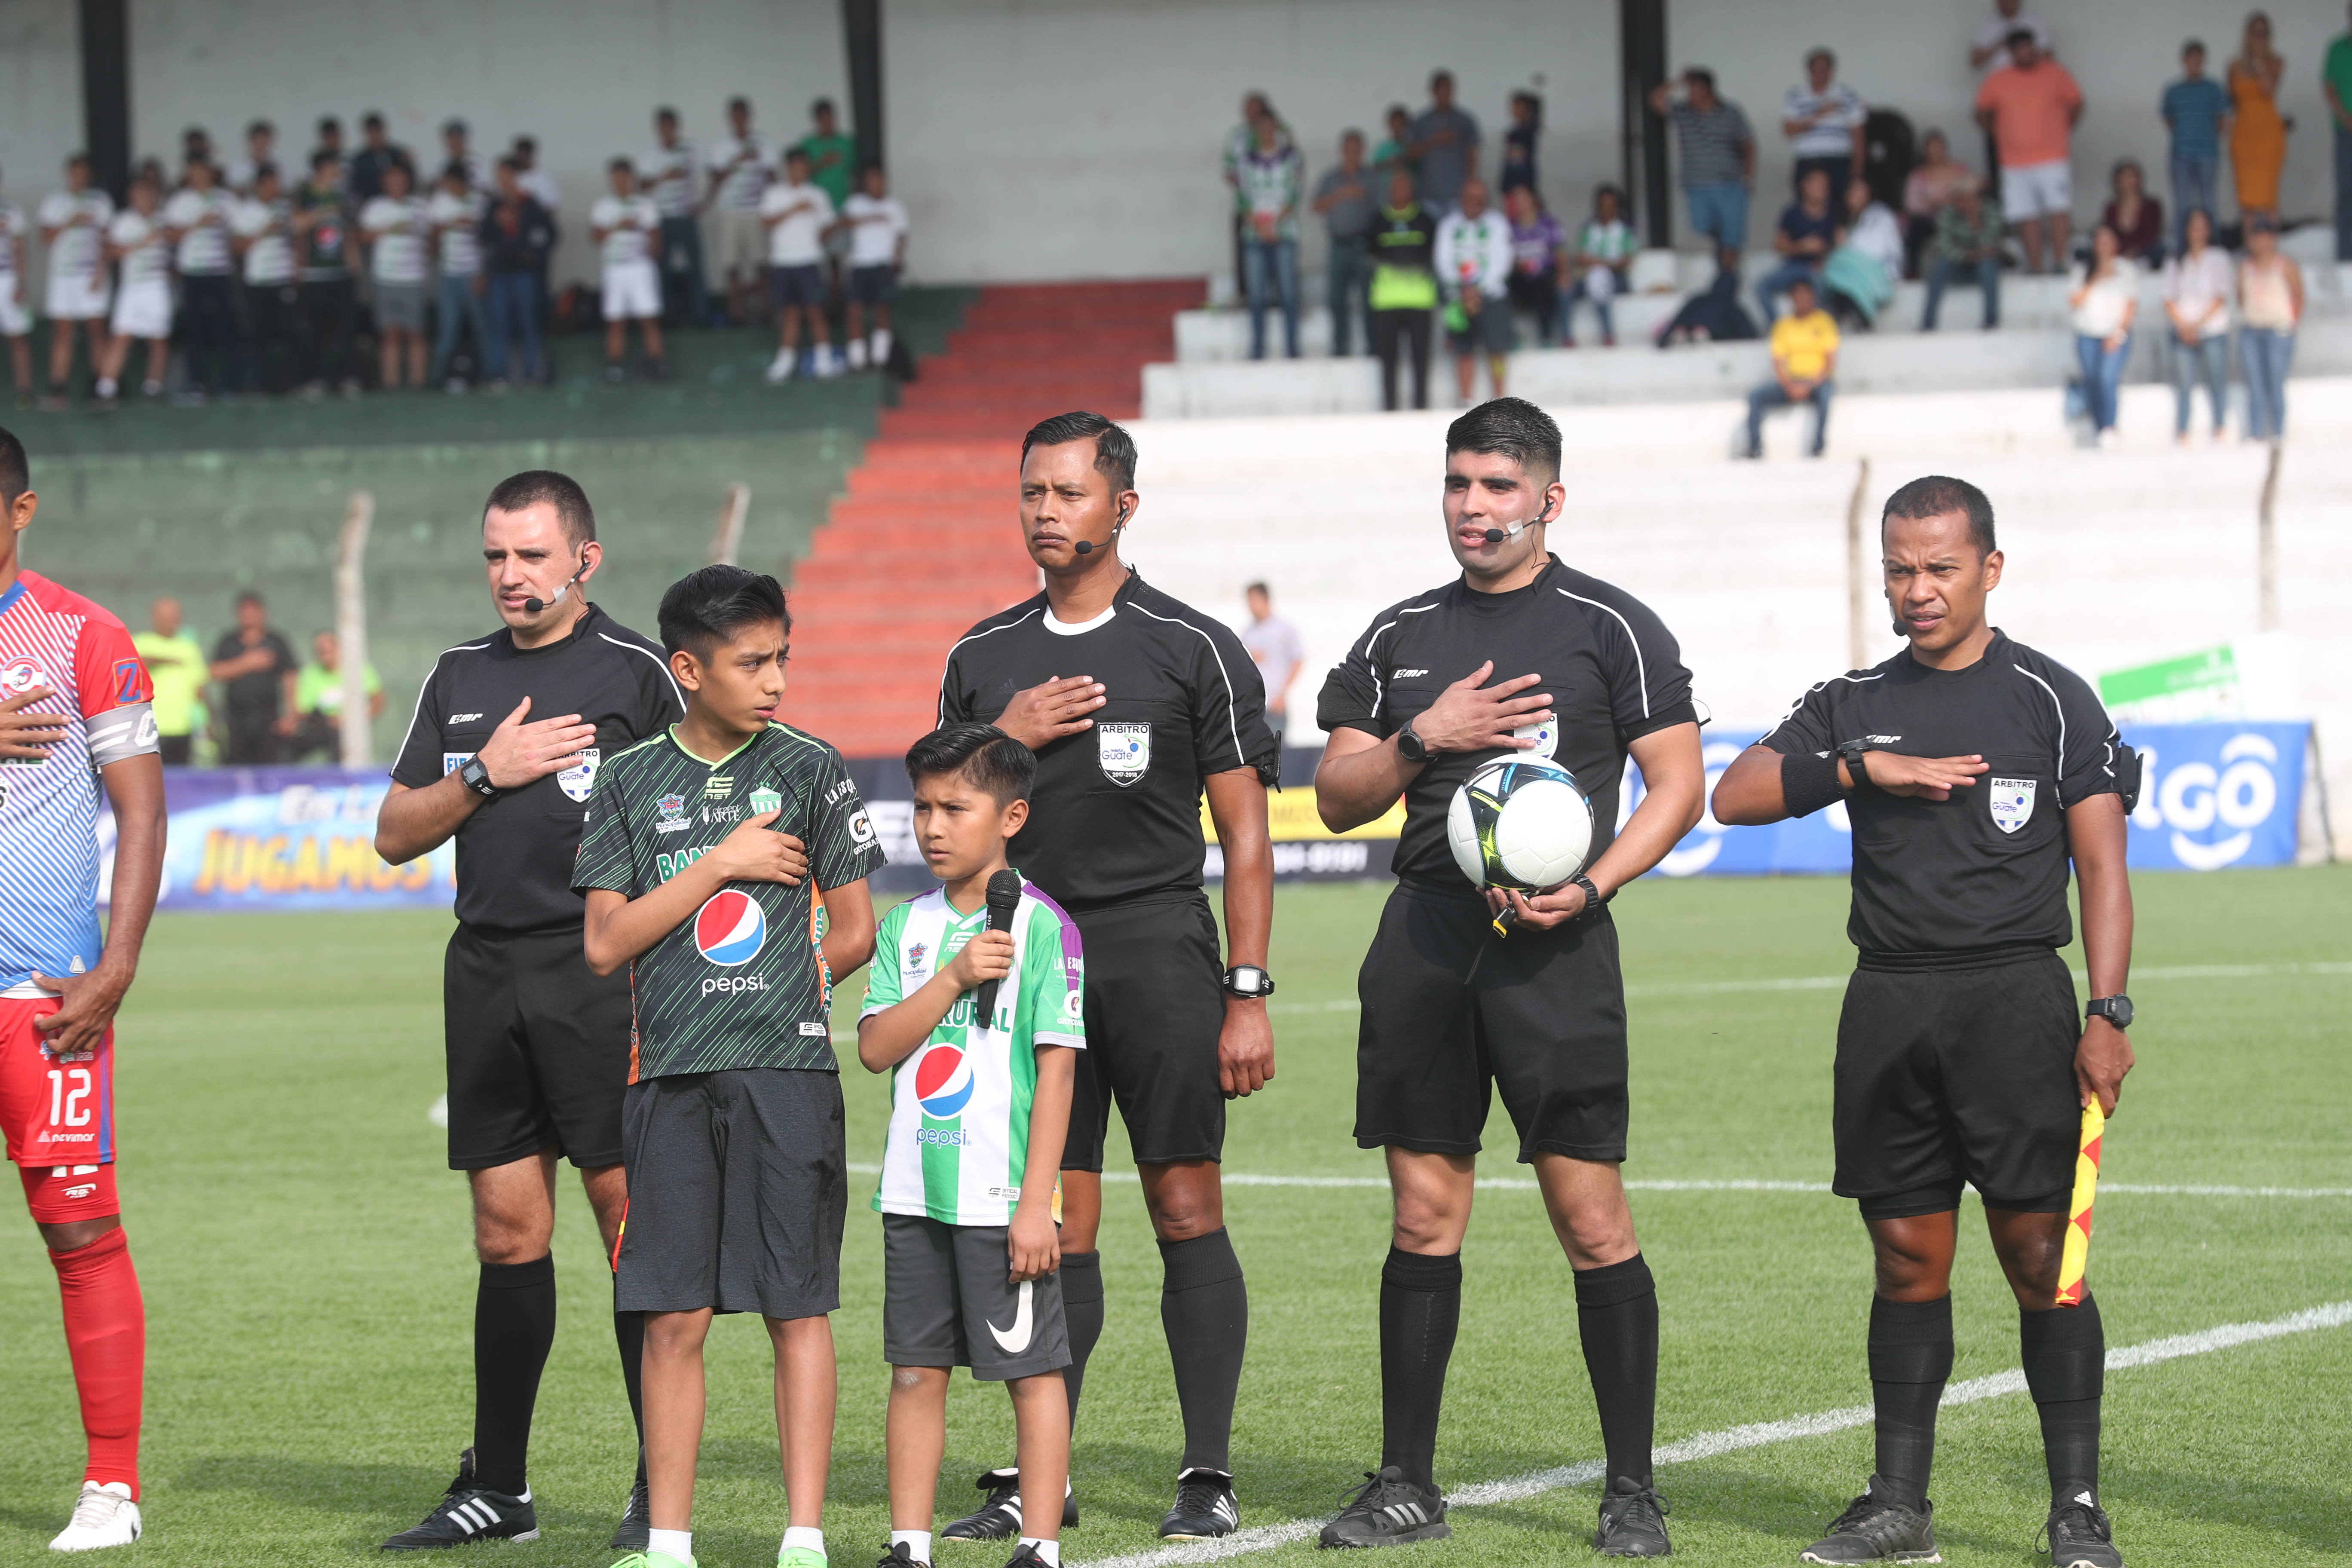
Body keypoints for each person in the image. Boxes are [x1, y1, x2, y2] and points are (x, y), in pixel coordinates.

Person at [1712, 472, 2138, 1568]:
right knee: (1905, 1255)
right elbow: (1737, 793)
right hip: (1888, 1000)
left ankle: (2074, 1504)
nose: (1916, 589)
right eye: (1899, 568)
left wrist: (2106, 1010)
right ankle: (1896, 1501)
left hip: (2014, 1000)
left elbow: (2100, 865)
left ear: (1989, 569)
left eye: (1939, 567)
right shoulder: (1852, 698)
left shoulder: (2049, 698)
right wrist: (1861, 768)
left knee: (2042, 1255)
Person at [1310, 396, 1703, 1558]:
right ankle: (1404, 1483)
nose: (1474, 507)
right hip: (1427, 935)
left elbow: (1675, 789)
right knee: (1425, 1213)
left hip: (1558, 947)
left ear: (1549, 498)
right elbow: (1339, 799)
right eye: (1459, 484)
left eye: (1497, 486)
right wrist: (1425, 735)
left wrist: (1590, 889)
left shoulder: (1609, 627)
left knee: (1591, 1216)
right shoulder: (1397, 636)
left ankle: (1632, 1489)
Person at [936, 410, 1277, 1545]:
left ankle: (1207, 1473)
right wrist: (1008, 732)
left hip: (1157, 957)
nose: (1046, 511)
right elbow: (949, 812)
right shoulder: (982, 657)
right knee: (1054, 1222)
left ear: (1123, 505)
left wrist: (1247, 990)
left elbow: (1245, 834)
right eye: (1032, 491)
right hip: (1026, 962)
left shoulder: (1191, 647)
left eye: (1069, 493)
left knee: (1185, 1208)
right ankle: (1048, 1477)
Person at [373, 470, 687, 1553]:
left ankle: (662, 1488)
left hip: (603, 976)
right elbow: (395, 830)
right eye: (496, 557)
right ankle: (498, 1487)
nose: (511, 576)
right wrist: (484, 774)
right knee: (508, 1231)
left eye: (532, 556)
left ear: (583, 561)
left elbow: (708, 809)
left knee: (627, 1229)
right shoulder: (458, 675)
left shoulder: (640, 673)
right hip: (486, 974)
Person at [573, 563, 882, 1568]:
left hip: (785, 1078)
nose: (775, 679)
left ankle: (803, 1539)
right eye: (752, 662)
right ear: (688, 668)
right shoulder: (624, 782)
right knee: (673, 1314)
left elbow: (854, 930)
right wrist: (717, 866)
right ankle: (668, 1543)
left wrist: (790, 990)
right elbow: (605, 944)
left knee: (797, 1304)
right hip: (664, 1074)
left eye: (781, 656)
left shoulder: (812, 769)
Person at [0, 426, 168, 1553]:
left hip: (42, 993)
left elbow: (143, 808)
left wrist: (116, 967)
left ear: (22, 510)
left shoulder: (81, 635)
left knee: (81, 1229)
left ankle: (112, 1487)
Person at [859, 724, 1082, 1568]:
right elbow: (878, 1048)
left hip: (1002, 1200)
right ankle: (908, 1546)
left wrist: (1038, 1205)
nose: (933, 826)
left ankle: (1039, 1545)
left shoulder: (1045, 930)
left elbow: (1057, 1075)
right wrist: (951, 977)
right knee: (915, 1372)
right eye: (921, 807)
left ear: (1012, 816)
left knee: (1032, 1371)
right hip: (915, 1195)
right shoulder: (905, 929)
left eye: (955, 807)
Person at [1975, 32, 2083, 274]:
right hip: (2014, 162)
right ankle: (2035, 268)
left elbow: (2077, 103)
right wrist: (2000, 134)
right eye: (2021, 48)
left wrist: (2065, 129)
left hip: (2053, 157)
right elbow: (1981, 112)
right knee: (2027, 216)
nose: (2027, 52)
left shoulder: (2055, 73)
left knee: (2058, 210)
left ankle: (2059, 263)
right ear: (2011, 52)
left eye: (2030, 47)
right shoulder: (1997, 79)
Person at [1647, 68, 1756, 253]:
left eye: (1695, 89)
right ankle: (1721, 249)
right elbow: (1654, 100)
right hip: (1697, 185)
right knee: (1702, 226)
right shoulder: (1683, 113)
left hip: (1730, 184)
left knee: (1732, 239)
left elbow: (1749, 143)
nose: (1691, 94)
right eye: (1689, 90)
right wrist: (1678, 81)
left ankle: (1727, 271)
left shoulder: (1731, 113)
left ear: (1708, 90)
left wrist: (1749, 176)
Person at [37, 155, 113, 410]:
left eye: (85, 172)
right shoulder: (55, 202)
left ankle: (100, 387)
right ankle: (58, 389)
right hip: (63, 277)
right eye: (76, 171)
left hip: (91, 275)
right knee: (63, 332)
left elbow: (109, 240)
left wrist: (100, 274)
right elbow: (44, 238)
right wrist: (68, 222)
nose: (80, 176)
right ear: (68, 173)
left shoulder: (101, 201)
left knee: (96, 330)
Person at [158, 158, 237, 401]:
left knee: (225, 326)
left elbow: (241, 232)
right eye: (194, 173)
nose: (199, 177)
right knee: (195, 328)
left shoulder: (226, 199)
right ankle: (197, 383)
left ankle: (230, 383)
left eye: (203, 172)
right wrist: (197, 224)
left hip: (220, 271)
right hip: (192, 272)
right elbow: (169, 235)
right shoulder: (180, 201)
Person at [760, 148, 836, 382]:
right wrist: (794, 209)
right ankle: (785, 363)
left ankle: (825, 361)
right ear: (788, 168)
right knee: (790, 313)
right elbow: (768, 222)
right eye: (796, 166)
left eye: (804, 166)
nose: (801, 170)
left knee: (815, 310)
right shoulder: (774, 193)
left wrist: (817, 241)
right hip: (783, 261)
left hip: (809, 261)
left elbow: (830, 223)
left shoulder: (818, 194)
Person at [96, 178, 172, 407]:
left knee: (158, 340)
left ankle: (153, 388)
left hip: (157, 288)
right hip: (131, 289)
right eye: (135, 196)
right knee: (120, 338)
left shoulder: (164, 220)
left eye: (145, 195)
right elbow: (113, 252)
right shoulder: (123, 221)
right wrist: (143, 242)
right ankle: (105, 390)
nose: (140, 200)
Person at [591, 159, 669, 383]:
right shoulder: (603, 207)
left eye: (624, 177)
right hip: (615, 269)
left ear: (632, 178)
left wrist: (650, 260)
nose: (620, 182)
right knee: (616, 319)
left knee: (648, 317)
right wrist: (618, 225)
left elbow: (656, 236)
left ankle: (659, 364)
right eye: (615, 177)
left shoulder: (644, 205)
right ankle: (615, 367)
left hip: (640, 268)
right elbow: (596, 237)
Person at [1436, 179, 1513, 402]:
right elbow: (1443, 260)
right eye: (1471, 198)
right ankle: (1465, 400)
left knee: (1497, 349)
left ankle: (1501, 401)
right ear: (1461, 199)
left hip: (1492, 296)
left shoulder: (1498, 223)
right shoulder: (1449, 225)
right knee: (1464, 350)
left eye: (1481, 199)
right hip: (1459, 297)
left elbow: (1503, 260)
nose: (1476, 203)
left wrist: (1478, 288)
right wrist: (1464, 289)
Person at [1744, 275, 1838, 458]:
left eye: (1806, 294)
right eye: (1798, 295)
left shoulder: (1824, 322)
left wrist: (1810, 385)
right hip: (1790, 381)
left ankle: (1818, 446)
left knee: (1827, 394)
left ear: (1813, 297)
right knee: (1754, 397)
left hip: (1816, 381)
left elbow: (1829, 362)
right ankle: (1755, 448)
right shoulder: (1783, 325)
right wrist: (1789, 386)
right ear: (1791, 298)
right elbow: (1778, 362)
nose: (1802, 299)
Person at [481, 159, 555, 389]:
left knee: (528, 322)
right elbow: (482, 237)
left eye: (507, 176)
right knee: (499, 324)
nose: (503, 181)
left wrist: (534, 254)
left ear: (515, 177)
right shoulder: (494, 206)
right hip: (500, 273)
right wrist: (496, 222)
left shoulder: (529, 203)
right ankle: (499, 374)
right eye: (499, 176)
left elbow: (550, 233)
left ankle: (532, 373)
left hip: (525, 273)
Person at [1369, 169, 1439, 412]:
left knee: (1421, 356)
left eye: (1404, 185)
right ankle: (1389, 407)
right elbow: (1369, 256)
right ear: (1390, 190)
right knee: (1388, 358)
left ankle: (1421, 407)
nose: (1400, 190)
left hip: (1420, 298)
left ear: (1412, 190)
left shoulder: (1426, 220)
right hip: (1386, 299)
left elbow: (1435, 255)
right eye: (1395, 186)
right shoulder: (1378, 220)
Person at [1237, 110, 1304, 361]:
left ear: (1277, 129)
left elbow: (1295, 195)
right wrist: (1261, 226)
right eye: (1261, 128)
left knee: (1288, 294)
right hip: (1255, 236)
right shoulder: (1246, 161)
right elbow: (1242, 198)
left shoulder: (1291, 158)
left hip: (1285, 234)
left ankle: (1293, 349)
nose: (1266, 133)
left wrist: (1274, 225)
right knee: (1256, 297)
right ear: (1256, 131)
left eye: (1270, 128)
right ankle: (1257, 349)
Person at [2162, 207, 2233, 444]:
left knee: (2217, 380)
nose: (2198, 232)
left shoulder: (2219, 257)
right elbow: (2169, 298)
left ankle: (2219, 427)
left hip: (2212, 329)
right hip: (2182, 330)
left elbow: (2220, 296)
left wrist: (2197, 325)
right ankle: (2183, 432)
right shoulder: (2176, 260)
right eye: (2193, 226)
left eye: (2202, 227)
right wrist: (2185, 326)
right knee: (2184, 383)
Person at [293, 150, 360, 398]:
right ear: (322, 168)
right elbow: (297, 226)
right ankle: (315, 379)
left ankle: (348, 378)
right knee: (313, 332)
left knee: (346, 330)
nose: (338, 173)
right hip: (314, 274)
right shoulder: (306, 195)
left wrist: (355, 264)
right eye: (334, 167)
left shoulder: (343, 196)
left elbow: (350, 230)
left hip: (340, 273)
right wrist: (321, 212)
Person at [232, 163, 303, 395]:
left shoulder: (285, 208)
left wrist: (297, 266)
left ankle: (290, 382)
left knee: (290, 333)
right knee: (259, 335)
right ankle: (263, 384)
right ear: (261, 184)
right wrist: (264, 230)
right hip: (258, 281)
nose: (277, 187)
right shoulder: (246, 211)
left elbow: (297, 237)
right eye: (272, 182)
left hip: (282, 279)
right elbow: (238, 247)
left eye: (278, 182)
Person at [362, 161, 433, 392]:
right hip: (385, 278)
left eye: (400, 179)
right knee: (390, 334)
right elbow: (363, 236)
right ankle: (391, 384)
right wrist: (390, 229)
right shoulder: (375, 207)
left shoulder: (420, 207)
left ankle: (417, 383)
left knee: (416, 334)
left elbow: (433, 239)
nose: (396, 183)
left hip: (413, 278)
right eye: (391, 179)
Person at [206, 591, 298, 763]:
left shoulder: (276, 641)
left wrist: (291, 715)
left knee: (269, 764)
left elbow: (290, 677)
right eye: (244, 611)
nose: (248, 615)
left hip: (268, 717)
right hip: (236, 717)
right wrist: (246, 664)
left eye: (252, 610)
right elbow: (214, 672)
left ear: (262, 613)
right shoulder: (228, 642)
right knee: (236, 764)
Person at [707, 97, 775, 325]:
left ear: (749, 116)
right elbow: (716, 178)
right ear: (730, 119)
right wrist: (737, 161)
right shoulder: (722, 147)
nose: (739, 120)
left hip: (756, 210)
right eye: (735, 116)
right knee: (732, 265)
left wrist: (772, 204)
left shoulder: (763, 143)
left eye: (743, 115)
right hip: (730, 211)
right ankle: (736, 312)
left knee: (761, 263)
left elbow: (771, 177)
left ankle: (765, 309)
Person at [2068, 224, 2136, 447]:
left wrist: (2118, 334)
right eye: (2100, 241)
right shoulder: (2083, 269)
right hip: (2087, 336)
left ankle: (2109, 428)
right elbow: (2075, 302)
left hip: (2117, 334)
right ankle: (2100, 429)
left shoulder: (2126, 269)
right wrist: (2097, 276)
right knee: (2092, 382)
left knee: (2108, 379)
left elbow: (2130, 305)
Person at [2237, 214, 2303, 443]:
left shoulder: (2285, 265)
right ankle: (2255, 435)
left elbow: (2299, 296)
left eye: (2266, 235)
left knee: (2276, 384)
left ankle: (2278, 434)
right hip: (2252, 331)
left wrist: (2290, 324)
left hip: (2279, 330)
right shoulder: (2245, 267)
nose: (2261, 241)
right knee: (2255, 386)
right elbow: (2240, 298)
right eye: (2257, 235)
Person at [643, 107, 710, 327]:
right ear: (658, 130)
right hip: (662, 219)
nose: (667, 131)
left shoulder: (691, 150)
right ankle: (666, 317)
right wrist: (664, 177)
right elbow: (642, 186)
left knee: (696, 267)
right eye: (663, 127)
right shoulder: (652, 156)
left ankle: (701, 316)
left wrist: (704, 203)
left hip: (686, 217)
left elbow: (712, 174)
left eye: (671, 126)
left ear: (677, 127)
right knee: (662, 268)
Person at [1313, 131, 1378, 358]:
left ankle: (1373, 348)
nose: (1352, 153)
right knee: (1336, 301)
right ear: (1341, 151)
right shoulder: (1331, 179)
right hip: (1337, 245)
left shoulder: (1372, 178)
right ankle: (1340, 350)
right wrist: (1341, 194)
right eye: (1348, 148)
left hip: (1363, 244)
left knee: (1370, 301)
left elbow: (1382, 212)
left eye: (1356, 148)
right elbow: (1316, 207)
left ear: (1362, 151)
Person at [839, 163, 909, 372]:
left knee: (883, 309)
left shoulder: (895, 207)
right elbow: (845, 222)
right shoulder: (856, 202)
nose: (874, 184)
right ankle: (857, 360)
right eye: (869, 180)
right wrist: (871, 218)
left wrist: (897, 260)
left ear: (885, 180)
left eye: (877, 179)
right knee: (854, 310)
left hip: (883, 265)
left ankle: (880, 358)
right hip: (859, 264)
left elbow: (902, 236)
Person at [428, 162, 490, 392]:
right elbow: (433, 239)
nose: (446, 187)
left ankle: (489, 376)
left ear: (459, 182)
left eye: (449, 183)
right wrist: (446, 226)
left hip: (474, 273)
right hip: (448, 273)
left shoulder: (480, 202)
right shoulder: (440, 202)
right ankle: (440, 377)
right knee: (448, 329)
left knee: (482, 327)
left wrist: (484, 274)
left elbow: (488, 242)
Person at [2162, 40, 2230, 250]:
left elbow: (2222, 120)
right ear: (2183, 61)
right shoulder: (2173, 90)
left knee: (2208, 201)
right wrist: (2186, 136)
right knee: (2182, 203)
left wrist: (2204, 137)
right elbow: (2169, 120)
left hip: (2208, 153)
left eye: (2198, 59)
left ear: (2203, 61)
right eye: (2190, 59)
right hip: (2181, 153)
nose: (2194, 64)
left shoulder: (2214, 88)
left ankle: (2213, 247)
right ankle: (2182, 248)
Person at [1756, 166, 1840, 323]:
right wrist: (1803, 246)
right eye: (1817, 184)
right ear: (1805, 187)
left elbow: (1841, 246)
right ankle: (1778, 329)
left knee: (1821, 287)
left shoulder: (1835, 213)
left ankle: (1820, 329)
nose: (1822, 188)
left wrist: (1824, 254)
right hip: (1793, 267)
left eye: (1825, 185)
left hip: (1821, 269)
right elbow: (1779, 245)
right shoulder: (1791, 213)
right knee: (1761, 287)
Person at [288, 629, 384, 761]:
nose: (326, 654)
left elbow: (378, 701)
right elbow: (303, 709)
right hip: (320, 726)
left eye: (329, 649)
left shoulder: (360, 669)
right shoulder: (309, 674)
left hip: (350, 728)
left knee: (341, 739)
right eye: (321, 650)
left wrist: (354, 719)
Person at [1921, 182, 2006, 331]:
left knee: (1988, 264)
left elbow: (1991, 243)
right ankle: (1928, 323)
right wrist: (1967, 256)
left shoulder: (1991, 210)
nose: (1963, 205)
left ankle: (1990, 322)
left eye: (1967, 200)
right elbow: (1943, 245)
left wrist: (1974, 219)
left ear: (1976, 199)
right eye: (1959, 200)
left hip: (1984, 268)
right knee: (1940, 265)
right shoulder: (1948, 213)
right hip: (1959, 264)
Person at [1783, 47, 1868, 197]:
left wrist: (1857, 172)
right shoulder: (1795, 96)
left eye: (1825, 68)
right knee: (1806, 208)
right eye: (1817, 67)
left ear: (1832, 70)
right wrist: (1818, 115)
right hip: (1808, 161)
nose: (1821, 71)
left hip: (1839, 161)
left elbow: (1859, 134)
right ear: (1809, 70)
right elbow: (1789, 130)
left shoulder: (1847, 95)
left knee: (1840, 208)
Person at [2229, 13, 2288, 225]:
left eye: (2264, 33)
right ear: (2247, 35)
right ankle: (2250, 251)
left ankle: (2271, 251)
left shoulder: (2276, 62)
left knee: (2268, 197)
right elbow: (2232, 101)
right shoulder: (2234, 66)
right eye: (2256, 33)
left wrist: (2260, 64)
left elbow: (2268, 89)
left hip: (2268, 134)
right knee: (2247, 200)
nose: (2259, 38)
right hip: (2244, 135)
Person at [132, 597, 204, 765]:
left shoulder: (189, 647)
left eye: (174, 617)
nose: (171, 622)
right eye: (166, 617)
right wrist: (164, 660)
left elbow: (199, 685)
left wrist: (206, 723)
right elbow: (136, 664)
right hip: (150, 726)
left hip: (183, 725)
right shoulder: (141, 642)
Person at [1822, 178, 1902, 328]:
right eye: (1851, 191)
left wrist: (1845, 246)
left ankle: (1858, 315)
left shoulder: (1880, 215)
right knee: (1832, 269)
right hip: (1856, 268)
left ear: (1869, 194)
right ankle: (1846, 314)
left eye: (1860, 190)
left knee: (1834, 263)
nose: (1855, 195)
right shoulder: (1849, 221)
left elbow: (1874, 250)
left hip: (1879, 269)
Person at [800, 98, 857, 297]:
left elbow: (856, 175)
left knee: (840, 259)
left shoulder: (847, 143)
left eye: (831, 117)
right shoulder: (808, 144)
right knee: (815, 260)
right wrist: (821, 163)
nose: (828, 122)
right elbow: (801, 174)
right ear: (815, 120)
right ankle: (819, 302)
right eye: (823, 118)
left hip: (841, 207)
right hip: (815, 212)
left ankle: (838, 301)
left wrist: (854, 203)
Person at [1240, 582, 1304, 751]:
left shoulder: (1283, 629)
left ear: (1265, 599)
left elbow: (1298, 661)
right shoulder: (1248, 632)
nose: (1250, 605)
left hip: (1275, 705)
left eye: (1253, 599)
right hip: (1255, 707)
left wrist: (1282, 694)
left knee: (1276, 755)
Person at [1902, 131, 1976, 277]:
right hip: (1931, 222)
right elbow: (1911, 206)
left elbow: (1971, 194)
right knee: (1917, 227)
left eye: (1939, 148)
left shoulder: (1961, 170)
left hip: (1958, 219)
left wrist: (1944, 201)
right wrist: (1938, 204)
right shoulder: (1917, 176)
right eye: (1932, 148)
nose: (1936, 152)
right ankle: (1913, 271)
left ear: (1945, 149)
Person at [1567, 185, 1633, 348]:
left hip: (1617, 279)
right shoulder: (1588, 229)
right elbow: (1580, 257)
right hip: (1589, 277)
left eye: (1611, 204)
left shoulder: (1624, 230)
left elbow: (1626, 261)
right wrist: (1598, 265)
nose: (1607, 208)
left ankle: (1608, 334)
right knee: (1566, 288)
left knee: (1599, 280)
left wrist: (1599, 264)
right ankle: (1565, 337)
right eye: (1603, 204)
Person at [1409, 71, 1481, 217]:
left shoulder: (1465, 120)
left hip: (1457, 194)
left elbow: (1472, 155)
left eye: (1449, 89)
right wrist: (1435, 140)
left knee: (1456, 237)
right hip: (1428, 194)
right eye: (1441, 89)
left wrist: (1469, 188)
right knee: (1432, 238)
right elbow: (1411, 155)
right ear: (1433, 91)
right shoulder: (1421, 121)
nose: (1445, 93)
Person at [1503, 185, 1567, 347]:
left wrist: (1563, 275)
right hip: (1520, 276)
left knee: (1545, 287)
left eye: (1523, 199)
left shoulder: (1549, 224)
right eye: (1516, 201)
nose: (1519, 204)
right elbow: (1503, 257)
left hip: (1545, 275)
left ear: (1533, 200)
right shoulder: (1509, 227)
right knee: (1501, 290)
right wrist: (1517, 265)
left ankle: (1547, 336)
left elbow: (1560, 251)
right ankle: (1512, 337)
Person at [2100, 159, 2162, 264]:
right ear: (2117, 181)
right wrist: (2124, 252)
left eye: (2132, 176)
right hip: (2118, 253)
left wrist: (2135, 251)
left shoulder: (2152, 206)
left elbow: (2152, 235)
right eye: (2124, 176)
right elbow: (2110, 235)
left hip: (2145, 253)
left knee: (2160, 252)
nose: (2128, 181)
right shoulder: (2111, 208)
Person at [0, 170, 28, 402]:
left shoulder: (11, 211)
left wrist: (21, 283)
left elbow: (21, 248)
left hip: (8, 279)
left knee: (17, 336)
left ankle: (24, 392)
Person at [2328, 3, 2352, 260]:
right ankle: (2345, 258)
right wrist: (2346, 118)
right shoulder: (2337, 48)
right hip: (2345, 132)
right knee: (2346, 194)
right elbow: (2329, 88)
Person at [349, 112, 414, 205]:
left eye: (377, 132)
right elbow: (357, 186)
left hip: (400, 202)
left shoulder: (398, 155)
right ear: (366, 134)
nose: (375, 136)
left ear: (383, 131)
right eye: (371, 132)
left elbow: (411, 180)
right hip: (370, 203)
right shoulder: (360, 160)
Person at [1500, 91, 1542, 198]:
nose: (1513, 109)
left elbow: (1520, 160)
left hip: (1522, 183)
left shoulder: (1529, 131)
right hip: (1511, 181)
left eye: (1517, 106)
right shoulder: (1515, 131)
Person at [441, 118, 493, 195]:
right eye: (450, 138)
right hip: (449, 203)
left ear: (463, 139)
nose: (453, 142)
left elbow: (487, 188)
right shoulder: (442, 164)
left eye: (456, 138)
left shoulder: (479, 163)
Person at [224, 119, 273, 195]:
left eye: (265, 139)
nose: (262, 143)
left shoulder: (276, 166)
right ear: (252, 140)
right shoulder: (237, 166)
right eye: (260, 138)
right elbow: (230, 189)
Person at [1371, 105, 1415, 183]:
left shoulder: (1413, 147)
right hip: (1386, 190)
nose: (1398, 126)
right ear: (1389, 123)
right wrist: (1389, 163)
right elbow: (1374, 169)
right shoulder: (1382, 148)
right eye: (1395, 122)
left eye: (1401, 122)